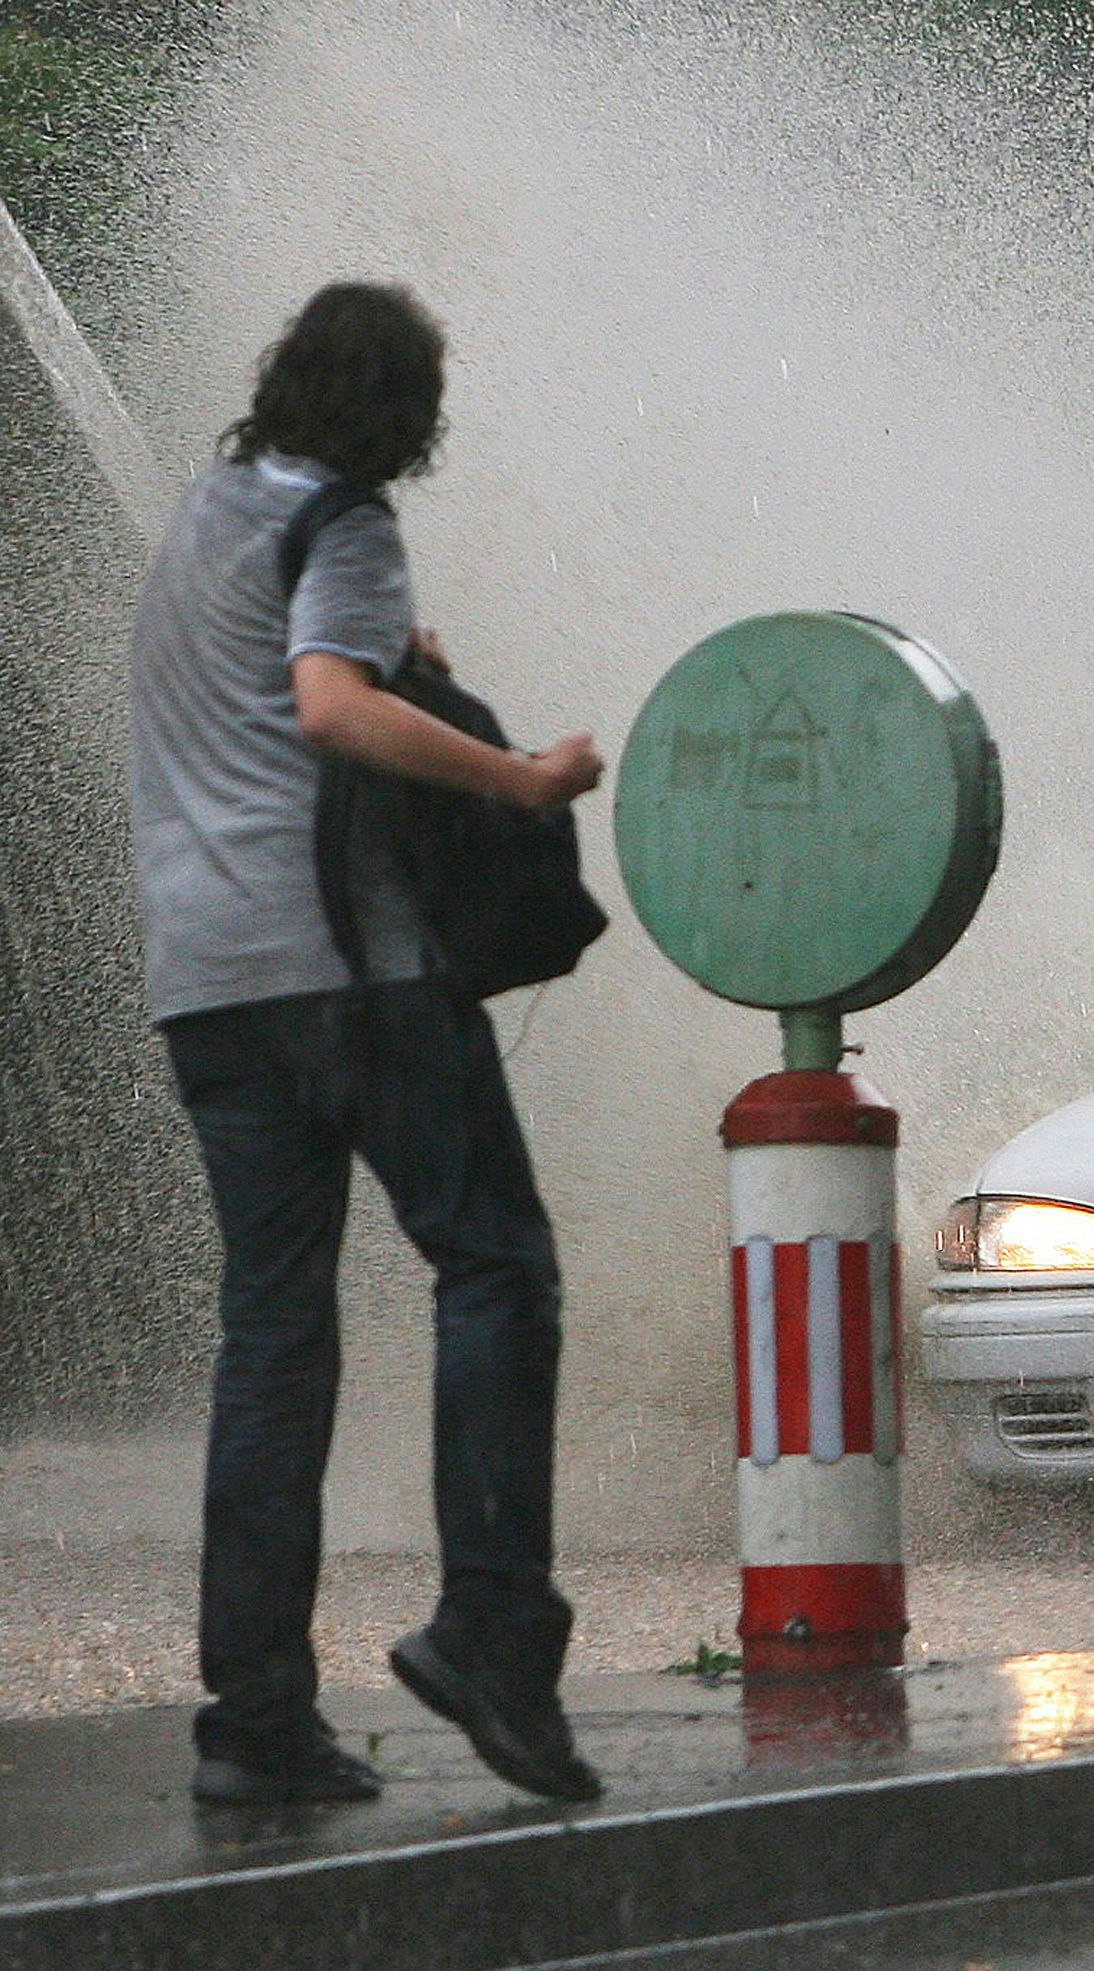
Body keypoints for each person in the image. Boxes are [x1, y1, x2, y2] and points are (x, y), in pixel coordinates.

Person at [128, 281, 607, 1807]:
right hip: (352, 977)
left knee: (275, 1337)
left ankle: (253, 1723)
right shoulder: (343, 522)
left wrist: (399, 659)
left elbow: (292, 688)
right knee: (496, 1264)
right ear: (405, 414)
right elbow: (329, 713)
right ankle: (488, 1626)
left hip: (210, 990)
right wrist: (522, 780)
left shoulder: (211, 514)